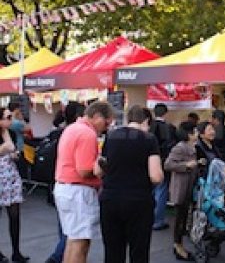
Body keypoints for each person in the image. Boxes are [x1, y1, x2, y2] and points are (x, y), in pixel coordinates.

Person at [95, 106, 164, 263]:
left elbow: (98, 170)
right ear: (146, 121)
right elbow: (155, 176)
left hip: (111, 200)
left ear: (128, 119)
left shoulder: (111, 136)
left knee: (113, 252)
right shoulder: (149, 139)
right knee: (138, 252)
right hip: (139, 202)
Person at [53, 101, 113, 263]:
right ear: (97, 116)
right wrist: (103, 168)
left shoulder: (71, 128)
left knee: (72, 241)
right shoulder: (87, 134)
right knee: (80, 243)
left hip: (65, 188)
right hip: (79, 192)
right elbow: (84, 170)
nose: (106, 127)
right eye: (106, 122)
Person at [45, 102, 85, 263]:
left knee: (65, 227)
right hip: (72, 185)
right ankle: (57, 257)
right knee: (74, 232)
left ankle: (62, 256)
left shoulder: (60, 133)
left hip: (58, 182)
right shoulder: (77, 134)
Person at [164, 121, 201, 261]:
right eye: (195, 131)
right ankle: (178, 246)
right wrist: (186, 165)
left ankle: (179, 245)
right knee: (180, 218)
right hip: (181, 187)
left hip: (189, 186)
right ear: (189, 134)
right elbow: (168, 165)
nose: (197, 133)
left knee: (184, 217)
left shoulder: (193, 146)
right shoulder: (180, 147)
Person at [0, 107, 29, 263]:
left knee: (15, 215)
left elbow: (12, 148)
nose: (10, 120)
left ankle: (16, 252)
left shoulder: (9, 133)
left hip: (10, 176)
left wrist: (13, 153)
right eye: (7, 117)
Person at [149, 103, 177, 231]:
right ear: (165, 113)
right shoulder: (168, 128)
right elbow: (170, 145)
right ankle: (158, 220)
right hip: (162, 161)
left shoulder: (149, 126)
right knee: (162, 189)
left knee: (151, 190)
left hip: (148, 162)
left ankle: (149, 217)